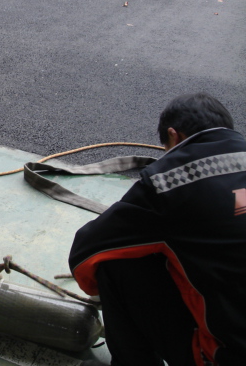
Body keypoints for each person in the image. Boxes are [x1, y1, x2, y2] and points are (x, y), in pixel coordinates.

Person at [69, 93, 246, 366]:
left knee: (115, 265)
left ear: (174, 136)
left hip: (227, 356)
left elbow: (86, 251)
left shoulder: (171, 180)